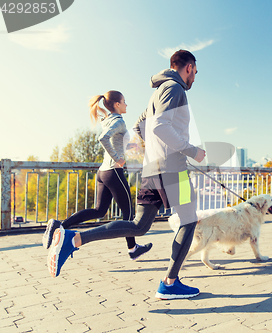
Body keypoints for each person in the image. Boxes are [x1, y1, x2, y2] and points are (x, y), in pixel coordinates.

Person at [47, 50, 206, 301]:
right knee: (188, 221)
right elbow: (160, 127)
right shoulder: (176, 89)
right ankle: (169, 283)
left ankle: (73, 238)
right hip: (173, 170)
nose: (195, 77)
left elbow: (139, 127)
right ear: (188, 67)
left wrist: (155, 151)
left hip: (154, 168)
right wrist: (192, 150)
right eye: (195, 72)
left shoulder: (158, 92)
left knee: (139, 226)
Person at [42, 91, 152, 260]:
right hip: (113, 171)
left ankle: (60, 225)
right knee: (129, 214)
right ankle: (132, 249)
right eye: (124, 101)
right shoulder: (118, 121)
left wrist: (130, 149)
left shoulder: (108, 120)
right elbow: (103, 138)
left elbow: (116, 141)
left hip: (103, 172)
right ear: (116, 104)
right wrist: (118, 158)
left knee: (99, 210)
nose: (126, 104)